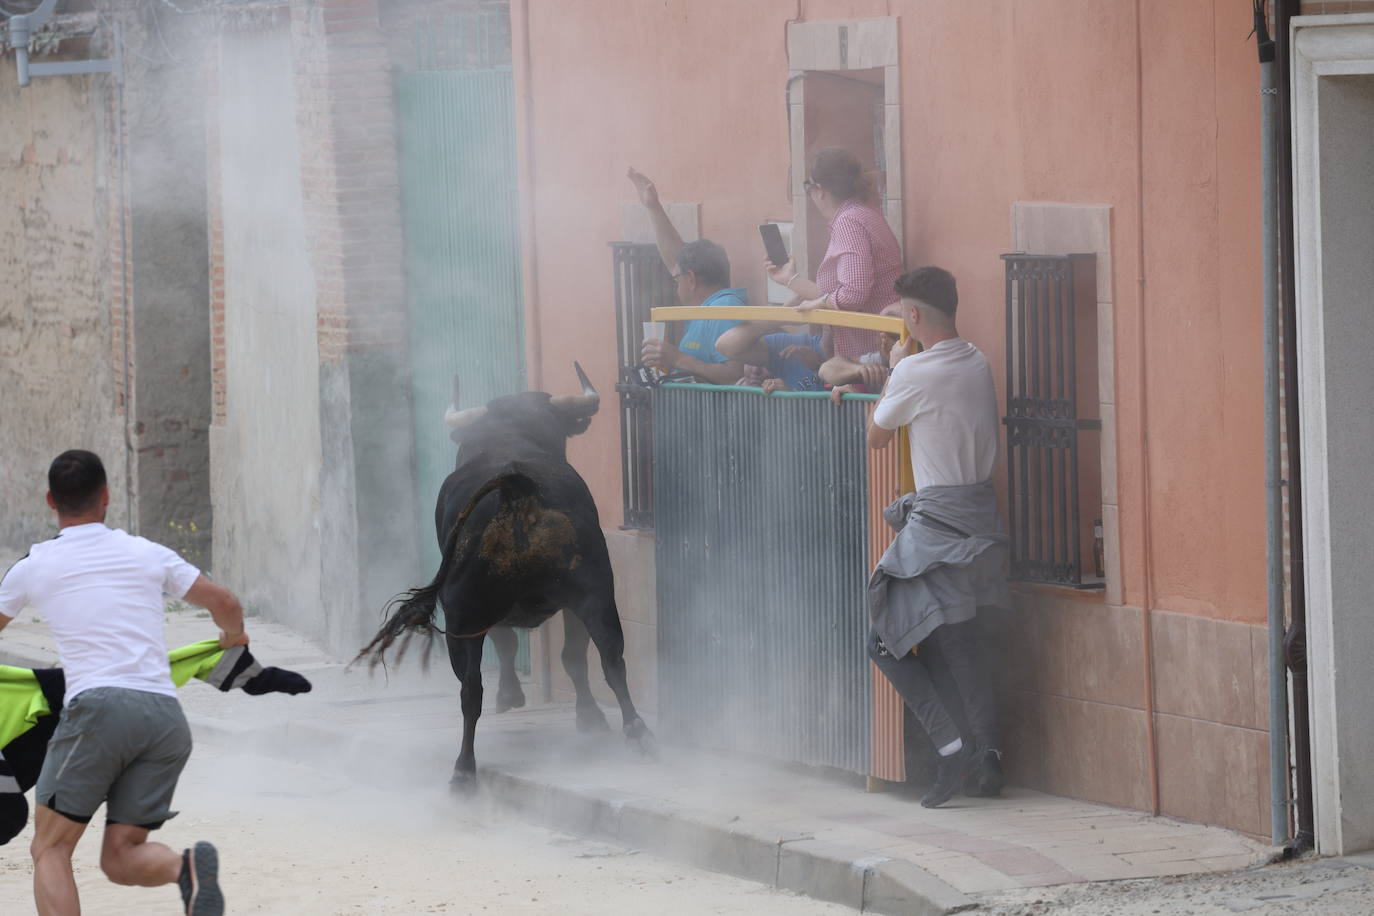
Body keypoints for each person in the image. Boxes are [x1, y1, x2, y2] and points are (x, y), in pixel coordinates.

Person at [0, 450, 251, 916]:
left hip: (96, 710)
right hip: (164, 720)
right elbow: (225, 600)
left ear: (51, 500)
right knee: (119, 857)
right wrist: (232, 638)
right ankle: (187, 870)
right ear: (107, 497)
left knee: (49, 850)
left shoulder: (34, 564)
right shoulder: (146, 552)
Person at [863, 268, 1009, 809]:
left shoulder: (914, 372)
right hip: (981, 520)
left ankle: (951, 750)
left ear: (915, 316)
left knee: (882, 637)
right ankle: (988, 754)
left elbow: (876, 437)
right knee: (961, 642)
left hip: (939, 523)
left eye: (904, 313)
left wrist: (894, 368)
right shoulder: (977, 359)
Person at [765, 147, 904, 362]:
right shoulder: (864, 213)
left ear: (820, 189)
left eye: (808, 186)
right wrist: (791, 280)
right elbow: (837, 293)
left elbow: (852, 294)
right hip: (877, 349)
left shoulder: (848, 222)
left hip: (871, 353)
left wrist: (818, 303)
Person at [627, 168, 746, 385]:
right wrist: (654, 208)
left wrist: (678, 358)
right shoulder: (707, 309)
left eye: (676, 280)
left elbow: (736, 375)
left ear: (691, 279)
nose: (675, 287)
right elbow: (675, 259)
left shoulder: (724, 309)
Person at [714, 320, 829, 393]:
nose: (755, 371)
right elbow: (724, 346)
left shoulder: (845, 357)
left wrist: (791, 395)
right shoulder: (792, 347)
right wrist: (781, 316)